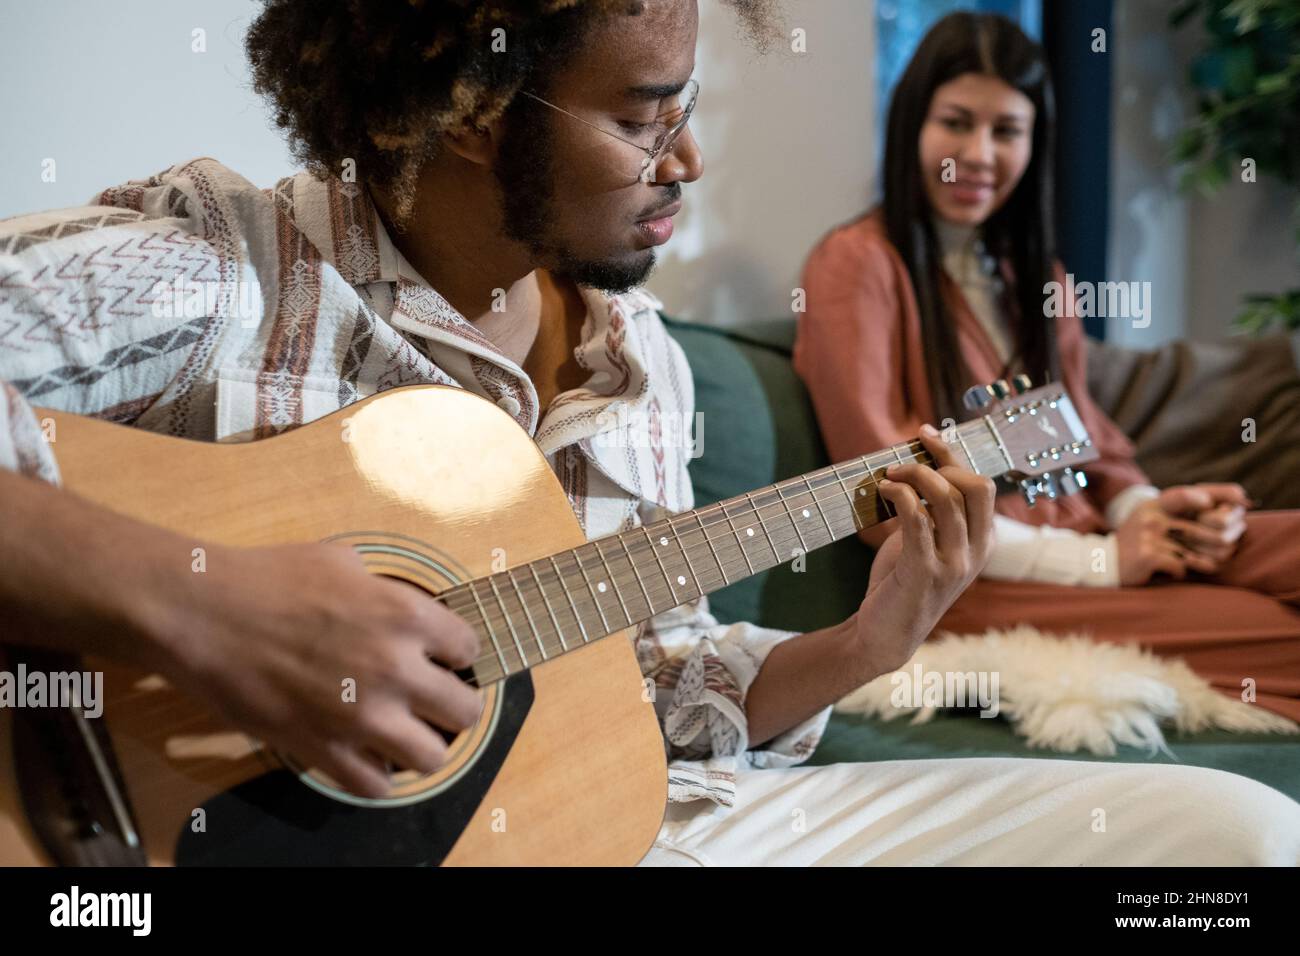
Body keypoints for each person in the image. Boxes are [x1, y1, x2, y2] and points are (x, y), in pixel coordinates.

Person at [2, 0, 1297, 866]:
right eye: (640, 118)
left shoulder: (643, 364)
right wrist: (210, 607)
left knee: (1234, 836)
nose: (686, 166)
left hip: (649, 824)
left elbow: (657, 683)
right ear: (460, 105)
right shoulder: (225, 270)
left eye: (687, 115)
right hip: (117, 825)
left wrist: (874, 637)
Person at [796, 11, 1300, 724]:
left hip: (1094, 543)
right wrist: (1103, 565)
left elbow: (1092, 437)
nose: (978, 153)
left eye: (1006, 131)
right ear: (911, 124)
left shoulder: (1039, 280)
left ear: (1035, 144)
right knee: (1279, 636)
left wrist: (1152, 512)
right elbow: (885, 507)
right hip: (974, 584)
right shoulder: (856, 264)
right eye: (956, 122)